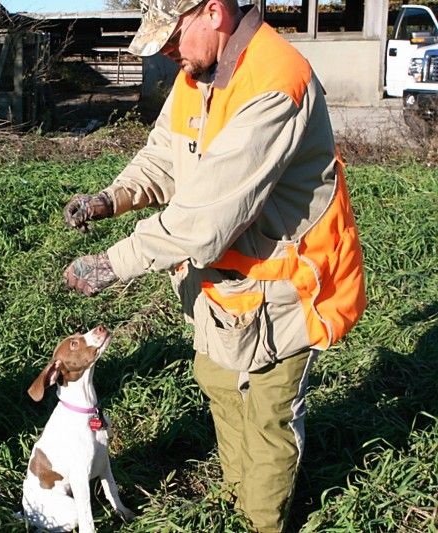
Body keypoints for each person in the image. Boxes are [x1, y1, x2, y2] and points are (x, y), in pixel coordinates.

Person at [61, 1, 367, 532]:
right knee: (221, 387)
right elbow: (163, 155)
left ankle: (260, 522)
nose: (168, 50)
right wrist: (109, 199)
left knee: (269, 417)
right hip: (221, 294)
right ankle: (233, 499)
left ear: (214, 12)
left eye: (174, 34)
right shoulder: (197, 74)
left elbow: (202, 222)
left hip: (285, 293)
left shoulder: (275, 83)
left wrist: (109, 264)